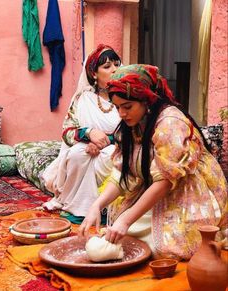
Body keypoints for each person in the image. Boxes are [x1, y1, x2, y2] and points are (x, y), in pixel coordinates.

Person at [79, 64, 228, 260]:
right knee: (122, 232)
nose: (121, 114)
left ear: (146, 101)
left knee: (163, 247)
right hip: (154, 187)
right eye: (117, 107)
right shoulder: (130, 125)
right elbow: (124, 173)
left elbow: (166, 181)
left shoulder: (170, 122)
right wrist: (96, 205)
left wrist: (126, 219)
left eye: (127, 107)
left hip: (185, 189)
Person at [41, 44, 121, 223]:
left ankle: (103, 207)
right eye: (107, 66)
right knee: (77, 154)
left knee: (109, 156)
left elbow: (132, 130)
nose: (114, 70)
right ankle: (76, 207)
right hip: (86, 146)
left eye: (117, 64)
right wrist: (89, 133)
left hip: (116, 147)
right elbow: (67, 132)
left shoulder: (125, 97)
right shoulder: (83, 98)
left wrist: (104, 141)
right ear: (94, 73)